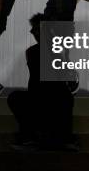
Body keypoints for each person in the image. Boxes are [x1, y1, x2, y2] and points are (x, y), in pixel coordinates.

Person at [7, 13, 76, 151]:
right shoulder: (53, 51)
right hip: (52, 100)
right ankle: (46, 136)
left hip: (47, 100)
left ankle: (31, 136)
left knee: (16, 98)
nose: (32, 32)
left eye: (35, 29)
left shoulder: (37, 51)